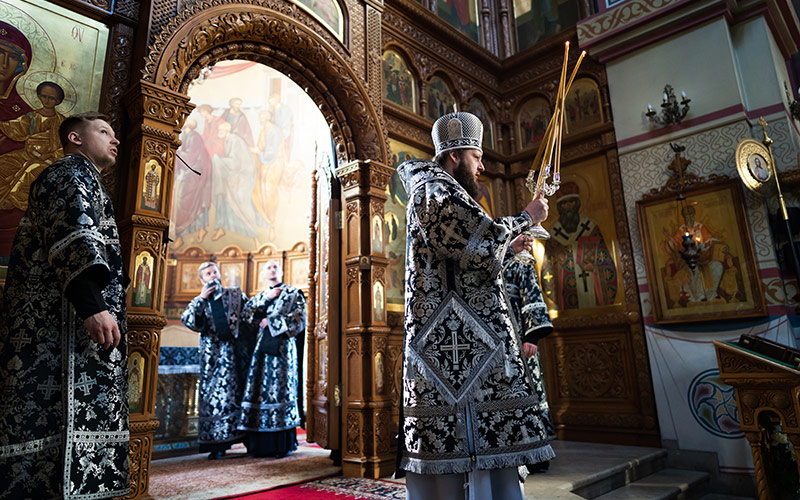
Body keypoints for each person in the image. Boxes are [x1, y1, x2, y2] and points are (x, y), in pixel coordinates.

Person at [396, 111, 555, 500]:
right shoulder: (432, 188)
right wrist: (525, 218)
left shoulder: (447, 190)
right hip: (450, 352)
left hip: (469, 347)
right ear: (454, 154)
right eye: (476, 155)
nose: (483, 166)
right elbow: (463, 233)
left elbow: (464, 259)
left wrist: (506, 249)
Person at [0, 112, 129, 498]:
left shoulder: (86, 179)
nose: (115, 140)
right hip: (59, 328)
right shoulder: (68, 174)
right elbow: (73, 237)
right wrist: (93, 306)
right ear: (74, 138)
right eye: (103, 131)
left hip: (71, 325)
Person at [181, 261, 250, 459]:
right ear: (202, 280)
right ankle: (217, 444)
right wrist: (202, 299)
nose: (213, 276)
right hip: (213, 360)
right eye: (208, 274)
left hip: (237, 358)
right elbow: (189, 321)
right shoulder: (199, 300)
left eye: (215, 272)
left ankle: (246, 439)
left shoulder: (236, 295)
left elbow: (249, 316)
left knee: (240, 396)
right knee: (214, 400)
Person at [239, 261, 306, 458]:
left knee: (281, 391)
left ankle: (282, 445)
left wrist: (272, 322)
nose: (272, 270)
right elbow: (246, 318)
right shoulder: (260, 296)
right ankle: (259, 445)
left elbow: (299, 319)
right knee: (259, 391)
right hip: (260, 353)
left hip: (283, 350)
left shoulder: (293, 293)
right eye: (268, 267)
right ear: (263, 273)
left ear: (283, 271)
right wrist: (266, 299)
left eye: (275, 267)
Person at [503, 248, 558, 474]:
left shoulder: (522, 262)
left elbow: (532, 296)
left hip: (521, 335)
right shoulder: (492, 259)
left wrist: (531, 337)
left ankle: (536, 454)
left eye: (529, 234)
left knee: (529, 389)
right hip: (498, 339)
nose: (527, 238)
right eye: (522, 233)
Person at [541, 182, 618, 310]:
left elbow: (606, 261)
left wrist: (594, 268)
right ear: (559, 207)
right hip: (568, 298)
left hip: (594, 292)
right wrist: (558, 266)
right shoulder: (554, 235)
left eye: (571, 202)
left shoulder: (591, 228)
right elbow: (547, 270)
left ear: (577, 203)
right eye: (564, 203)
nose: (568, 206)